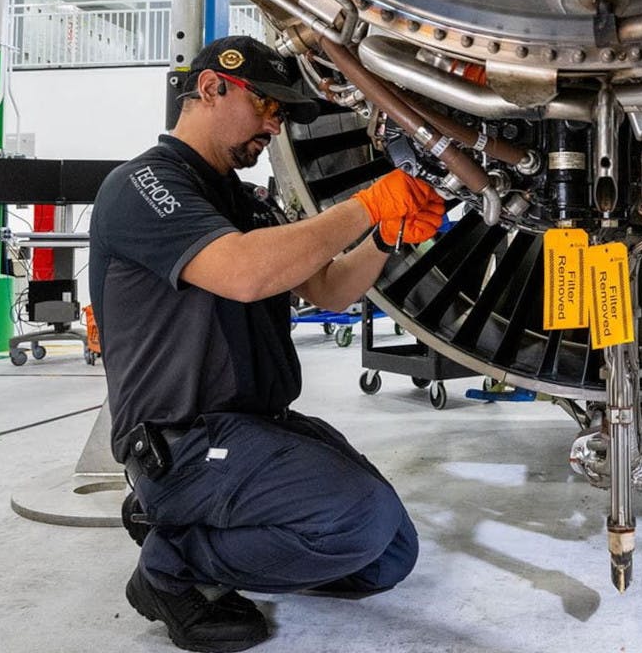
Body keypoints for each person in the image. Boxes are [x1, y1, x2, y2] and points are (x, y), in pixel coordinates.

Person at [89, 35, 444, 652]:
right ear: (210, 88)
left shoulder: (250, 203)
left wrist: (386, 236)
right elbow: (243, 273)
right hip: (186, 439)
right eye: (267, 108)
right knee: (357, 519)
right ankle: (171, 566)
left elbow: (331, 289)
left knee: (389, 555)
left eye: (282, 116)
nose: (274, 127)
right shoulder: (143, 185)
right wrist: (368, 203)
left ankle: (207, 536)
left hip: (255, 428)